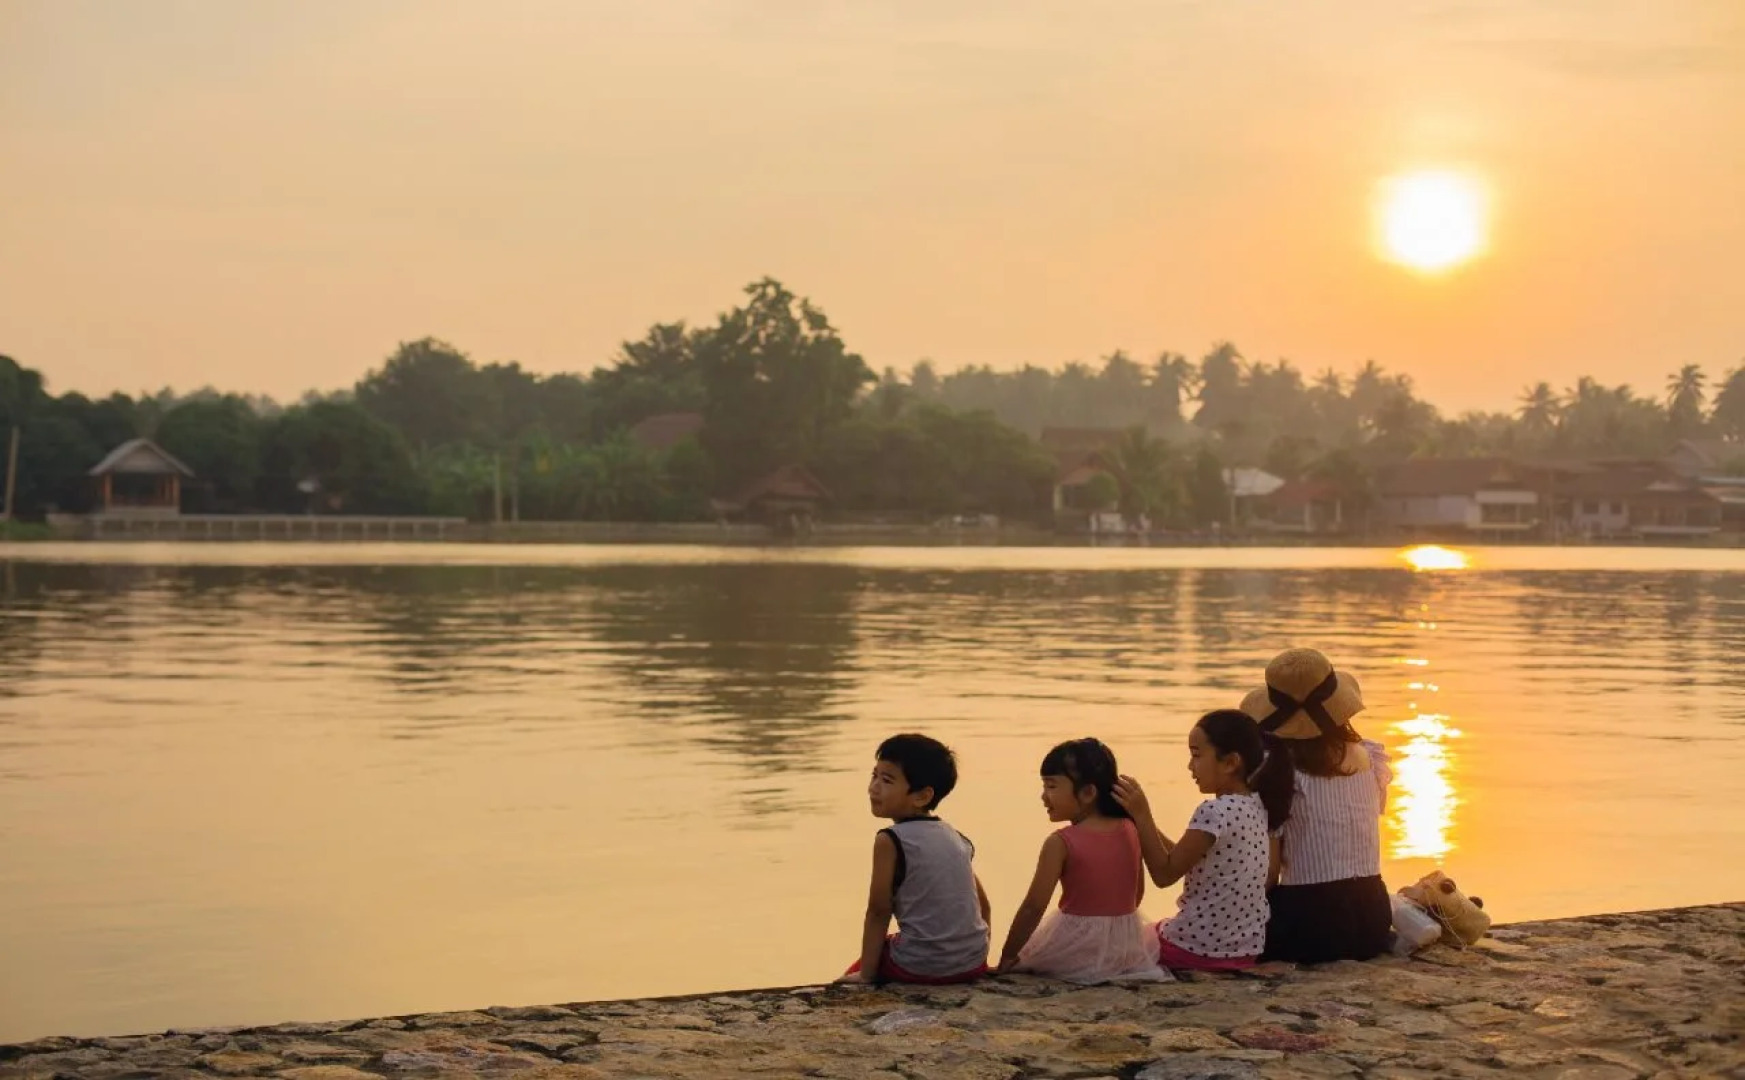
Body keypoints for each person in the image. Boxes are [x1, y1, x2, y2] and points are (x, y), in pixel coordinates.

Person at [1239, 647, 1394, 963]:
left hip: (1309, 925)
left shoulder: (1278, 773)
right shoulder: (1369, 757)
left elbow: (1268, 874)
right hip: (1373, 919)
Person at [1114, 709, 1292, 972]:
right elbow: (1186, 859)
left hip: (1196, 951)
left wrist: (1142, 814)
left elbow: (1164, 874)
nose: (1189, 766)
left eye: (1196, 756)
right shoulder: (1258, 806)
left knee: (1116, 944)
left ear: (1231, 762)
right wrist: (1142, 824)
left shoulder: (1213, 812)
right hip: (1244, 951)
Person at [996, 739, 1169, 984]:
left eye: (1051, 786)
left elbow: (1033, 906)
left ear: (1088, 792)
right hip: (1123, 945)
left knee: (1029, 959)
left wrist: (1008, 955)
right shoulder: (1130, 827)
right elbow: (1136, 894)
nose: (1044, 796)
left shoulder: (1060, 842)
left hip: (1077, 946)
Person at [840, 734, 991, 984]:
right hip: (973, 964)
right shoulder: (956, 837)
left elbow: (879, 911)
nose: (874, 787)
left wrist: (866, 975)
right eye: (874, 776)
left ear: (922, 796)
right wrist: (976, 958)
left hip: (921, 967)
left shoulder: (890, 839)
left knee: (860, 968)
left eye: (887, 780)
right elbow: (984, 907)